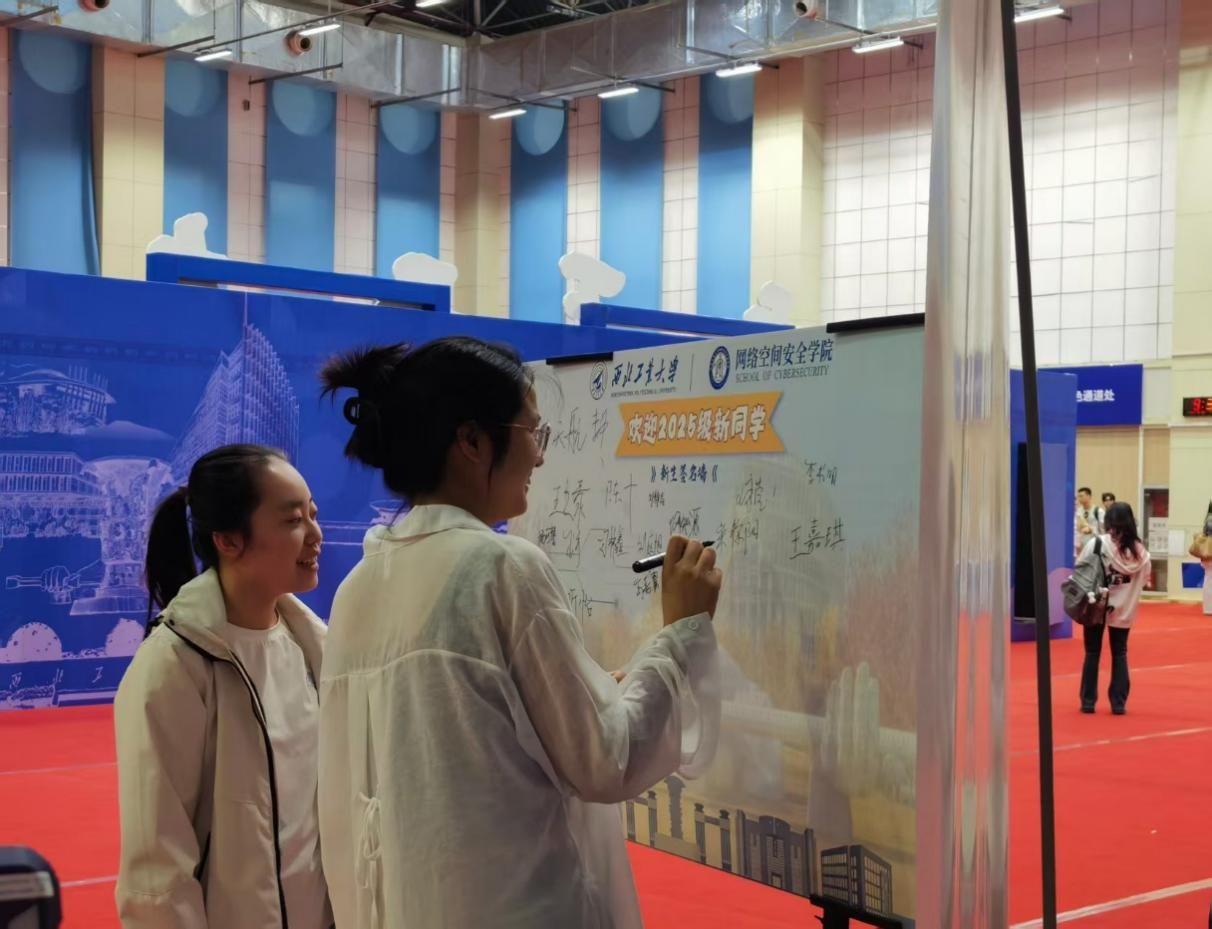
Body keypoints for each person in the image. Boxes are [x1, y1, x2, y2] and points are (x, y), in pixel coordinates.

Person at [316, 337, 722, 929]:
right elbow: (608, 759)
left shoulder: (358, 586)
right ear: (472, 441)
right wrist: (680, 634)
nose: (539, 456)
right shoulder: (501, 567)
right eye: (532, 431)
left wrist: (589, 694)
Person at [113, 445, 330, 929]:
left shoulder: (314, 649)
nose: (316, 535)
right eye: (293, 521)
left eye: (313, 515)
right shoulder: (173, 666)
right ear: (229, 540)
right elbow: (157, 868)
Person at [1078, 501, 1150, 715]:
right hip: (1124, 609)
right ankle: (1118, 703)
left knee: (1092, 651)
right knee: (1120, 653)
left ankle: (1088, 701)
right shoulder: (1141, 553)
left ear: (1108, 521)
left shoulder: (1097, 544)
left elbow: (1080, 569)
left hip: (1095, 604)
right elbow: (1144, 580)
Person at [1074, 486, 1098, 557]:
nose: (1079, 499)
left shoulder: (1098, 511)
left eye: (1081, 496)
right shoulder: (1077, 511)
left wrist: (1091, 529)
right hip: (1080, 547)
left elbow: (1103, 530)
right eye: (1078, 496)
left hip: (1093, 546)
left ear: (1088, 496)